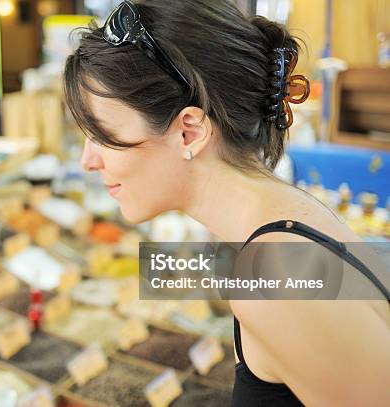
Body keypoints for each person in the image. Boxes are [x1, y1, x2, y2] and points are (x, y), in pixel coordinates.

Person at [64, 1, 389, 406]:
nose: (88, 160)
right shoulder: (288, 220)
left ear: (189, 132)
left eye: (102, 135)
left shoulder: (274, 277)